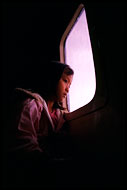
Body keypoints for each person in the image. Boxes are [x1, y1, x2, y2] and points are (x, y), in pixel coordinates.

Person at [6, 61, 74, 160]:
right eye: (65, 81)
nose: (68, 89)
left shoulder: (59, 115)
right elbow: (23, 142)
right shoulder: (31, 105)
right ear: (52, 79)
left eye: (70, 85)